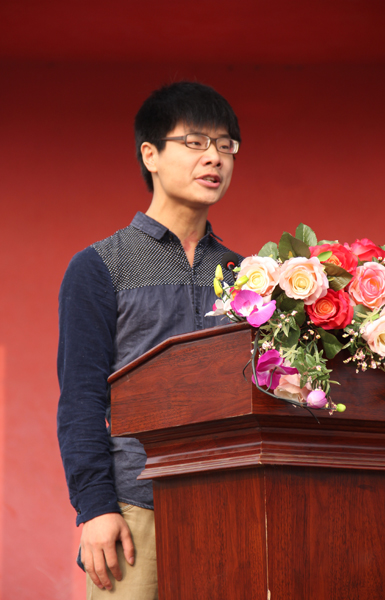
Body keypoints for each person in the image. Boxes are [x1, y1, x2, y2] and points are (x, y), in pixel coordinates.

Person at [57, 80, 242, 599]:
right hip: (136, 509)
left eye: (226, 145)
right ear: (151, 154)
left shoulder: (246, 274)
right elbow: (81, 400)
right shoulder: (100, 266)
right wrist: (95, 507)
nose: (215, 158)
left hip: (233, 505)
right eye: (195, 142)